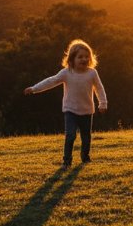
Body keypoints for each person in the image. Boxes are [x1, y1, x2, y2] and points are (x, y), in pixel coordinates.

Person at [24, 39, 108, 167]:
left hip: (86, 111)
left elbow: (99, 88)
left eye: (86, 57)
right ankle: (66, 161)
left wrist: (103, 103)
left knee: (86, 137)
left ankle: (85, 158)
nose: (84, 59)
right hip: (70, 111)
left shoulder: (92, 73)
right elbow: (51, 81)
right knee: (70, 136)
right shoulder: (66, 73)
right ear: (71, 59)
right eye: (80, 57)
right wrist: (34, 88)